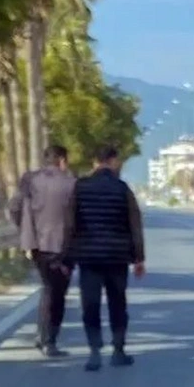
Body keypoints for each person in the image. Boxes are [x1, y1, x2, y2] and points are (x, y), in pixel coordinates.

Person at [61, 145, 146, 371]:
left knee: (90, 304)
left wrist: (66, 258)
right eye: (118, 161)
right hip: (117, 257)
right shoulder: (122, 189)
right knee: (118, 304)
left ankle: (94, 352)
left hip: (89, 257)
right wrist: (139, 258)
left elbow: (70, 224)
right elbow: (135, 225)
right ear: (111, 160)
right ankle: (118, 350)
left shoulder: (81, 187)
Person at [8, 144, 76, 357]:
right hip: (63, 246)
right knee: (57, 293)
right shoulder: (72, 184)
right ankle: (49, 339)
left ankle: (43, 336)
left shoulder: (30, 180)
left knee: (48, 288)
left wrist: (26, 230)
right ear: (63, 161)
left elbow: (14, 207)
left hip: (37, 243)